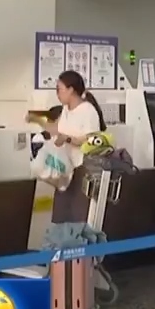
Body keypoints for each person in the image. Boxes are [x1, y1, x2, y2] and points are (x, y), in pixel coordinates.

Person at [44, 70, 106, 224]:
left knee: (77, 216)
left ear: (71, 90)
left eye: (59, 89)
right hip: (64, 169)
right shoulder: (65, 110)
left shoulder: (88, 111)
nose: (57, 93)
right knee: (60, 215)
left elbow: (92, 141)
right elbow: (58, 129)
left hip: (81, 170)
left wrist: (68, 139)